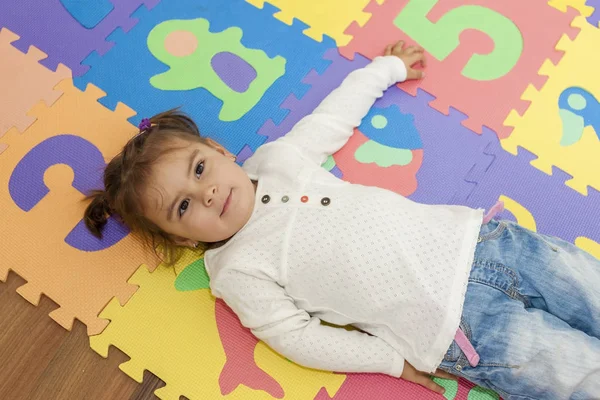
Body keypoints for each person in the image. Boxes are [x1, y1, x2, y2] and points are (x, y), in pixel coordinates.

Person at [84, 41, 600, 399]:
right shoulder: (235, 270)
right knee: (575, 373)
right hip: (460, 329)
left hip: (486, 243)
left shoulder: (278, 160)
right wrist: (390, 362)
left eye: (199, 169)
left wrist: (385, 70)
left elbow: (330, 120)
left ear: (218, 151)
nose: (207, 192)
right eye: (183, 206)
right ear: (179, 235)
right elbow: (297, 338)